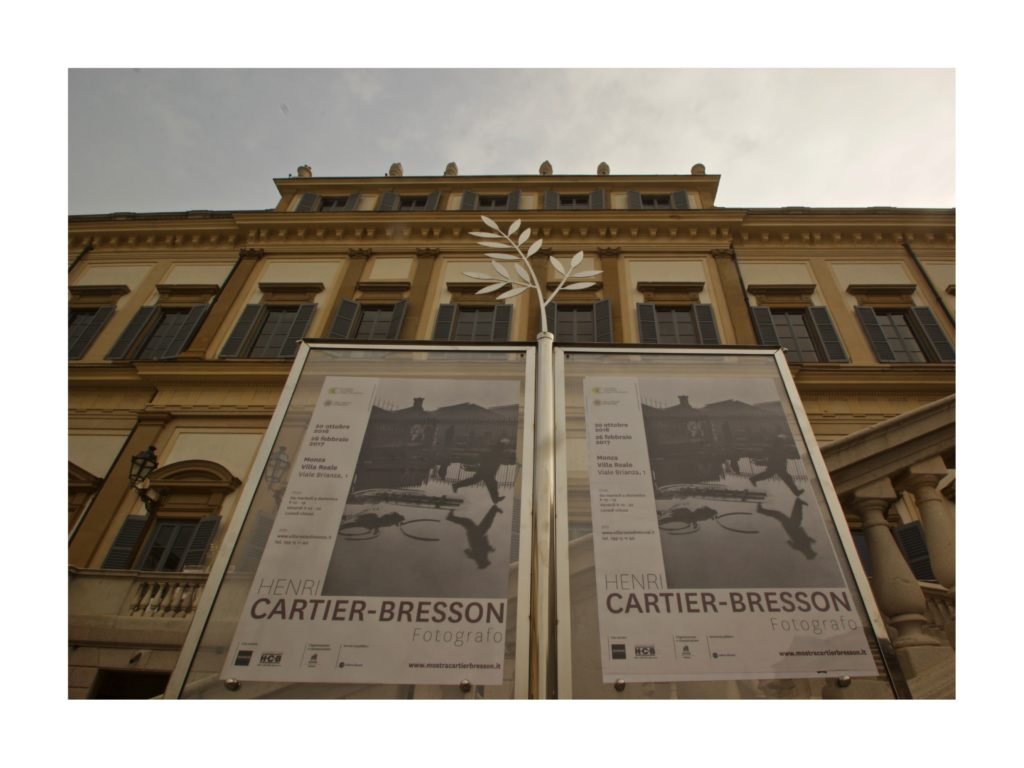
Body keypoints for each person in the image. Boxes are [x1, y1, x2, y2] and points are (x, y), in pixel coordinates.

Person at [451, 436, 513, 504]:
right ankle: (495, 498)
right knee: (491, 484)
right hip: (487, 471)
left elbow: (494, 458)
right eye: (505, 445)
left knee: (475, 481)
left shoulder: (497, 449)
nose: (505, 448)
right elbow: (498, 459)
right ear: (503, 445)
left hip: (486, 470)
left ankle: (456, 485)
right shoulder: (498, 450)